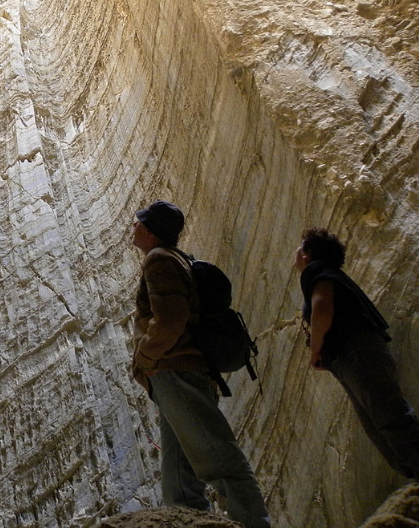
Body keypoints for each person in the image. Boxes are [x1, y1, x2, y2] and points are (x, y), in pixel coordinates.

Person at [131, 200, 270, 528]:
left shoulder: (159, 260)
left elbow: (170, 320)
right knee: (180, 479)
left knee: (220, 462)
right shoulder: (178, 259)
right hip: (181, 373)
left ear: (150, 230)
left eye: (138, 222)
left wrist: (146, 358)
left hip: (175, 370)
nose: (133, 226)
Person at [294, 226, 419, 479]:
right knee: (380, 426)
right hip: (355, 353)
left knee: (390, 420)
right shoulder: (330, 272)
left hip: (356, 352)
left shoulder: (315, 270)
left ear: (307, 254)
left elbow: (322, 308)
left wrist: (315, 350)